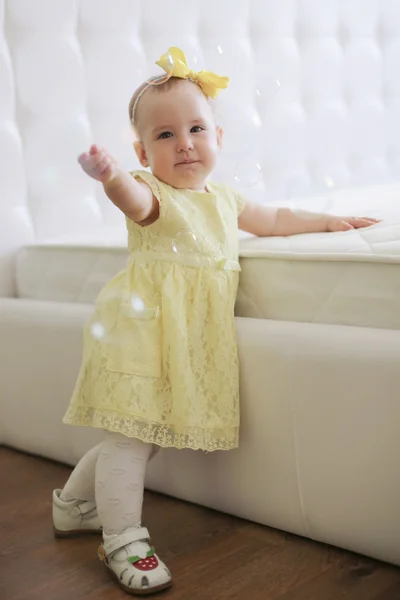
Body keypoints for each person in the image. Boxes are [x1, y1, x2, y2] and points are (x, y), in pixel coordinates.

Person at [52, 47, 379, 595]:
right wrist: (109, 176)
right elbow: (132, 201)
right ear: (142, 152)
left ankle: (73, 506)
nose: (184, 143)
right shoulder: (155, 196)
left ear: (218, 138)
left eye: (196, 128)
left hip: (185, 340)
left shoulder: (224, 199)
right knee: (130, 440)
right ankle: (123, 537)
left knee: (138, 439)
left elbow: (273, 219)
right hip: (143, 332)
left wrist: (327, 221)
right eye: (164, 136)